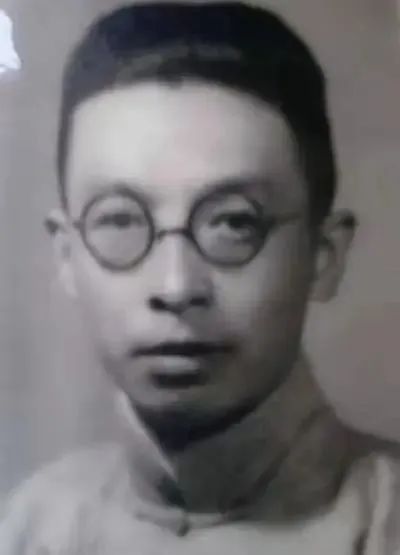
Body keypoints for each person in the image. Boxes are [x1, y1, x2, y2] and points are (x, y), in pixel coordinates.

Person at [1, 2, 399, 553]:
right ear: (67, 256)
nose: (176, 286)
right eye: (120, 220)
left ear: (323, 254)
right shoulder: (31, 526)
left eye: (234, 223)